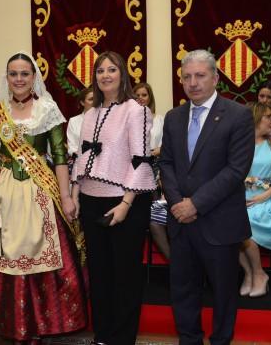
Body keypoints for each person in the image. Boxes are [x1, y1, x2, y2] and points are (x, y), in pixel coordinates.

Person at [0, 52, 87, 344]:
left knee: (40, 255)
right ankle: (6, 323)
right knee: (0, 253)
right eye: (14, 74)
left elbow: (60, 158)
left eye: (25, 74)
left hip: (39, 193)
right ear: (6, 77)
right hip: (2, 194)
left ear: (34, 77)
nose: (19, 79)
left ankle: (40, 324)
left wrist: (66, 197)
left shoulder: (47, 108)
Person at [159, 49, 254, 345]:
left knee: (223, 293)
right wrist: (177, 203)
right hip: (181, 221)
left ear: (215, 78)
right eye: (187, 77)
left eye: (200, 76)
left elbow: (236, 169)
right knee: (183, 291)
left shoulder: (237, 115)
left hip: (219, 221)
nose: (193, 83)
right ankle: (189, 340)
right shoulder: (174, 117)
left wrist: (195, 204)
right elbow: (167, 164)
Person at [71, 51, 157, 345]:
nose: (105, 75)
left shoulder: (136, 110)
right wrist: (76, 195)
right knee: (100, 274)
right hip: (91, 199)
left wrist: (125, 204)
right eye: (99, 71)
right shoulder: (90, 114)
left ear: (123, 74)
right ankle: (103, 336)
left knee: (125, 277)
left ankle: (122, 339)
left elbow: (140, 161)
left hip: (124, 202)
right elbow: (82, 159)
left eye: (112, 69)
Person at [239, 102, 271, 298]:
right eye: (267, 117)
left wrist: (264, 196)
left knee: (245, 225)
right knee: (227, 223)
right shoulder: (239, 143)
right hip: (242, 197)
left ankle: (259, 273)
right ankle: (249, 273)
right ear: (256, 118)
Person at [134, 82, 169, 259]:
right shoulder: (129, 118)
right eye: (137, 95)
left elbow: (167, 145)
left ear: (150, 98)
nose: (141, 98)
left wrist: (154, 152)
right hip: (134, 166)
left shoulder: (159, 119)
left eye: (144, 95)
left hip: (155, 164)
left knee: (154, 209)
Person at [66, 87, 93, 158]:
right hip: (80, 161)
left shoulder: (105, 120)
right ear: (82, 102)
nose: (95, 102)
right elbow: (72, 147)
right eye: (91, 99)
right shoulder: (74, 121)